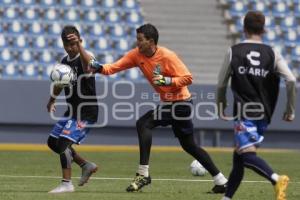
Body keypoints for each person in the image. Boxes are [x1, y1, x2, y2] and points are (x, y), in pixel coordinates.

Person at [67, 23, 228, 193]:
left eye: (140, 40)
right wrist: (81, 48)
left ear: (151, 41)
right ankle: (221, 181)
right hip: (173, 104)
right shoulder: (137, 55)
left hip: (181, 104)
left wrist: (166, 81)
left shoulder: (167, 56)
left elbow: (188, 78)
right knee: (189, 146)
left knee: (144, 123)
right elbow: (109, 69)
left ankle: (143, 174)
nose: (137, 43)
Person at [216, 11, 296, 200]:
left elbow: (221, 84)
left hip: (245, 111)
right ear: (264, 29)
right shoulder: (272, 53)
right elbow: (291, 80)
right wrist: (289, 110)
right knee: (239, 157)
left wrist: (221, 105)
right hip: (265, 112)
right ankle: (226, 198)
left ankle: (277, 179)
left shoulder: (234, 51)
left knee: (246, 155)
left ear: (244, 29)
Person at [47, 25, 98, 193]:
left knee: (63, 143)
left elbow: (89, 66)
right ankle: (86, 165)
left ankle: (66, 184)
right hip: (72, 110)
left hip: (86, 111)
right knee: (53, 142)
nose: (70, 48)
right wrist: (52, 100)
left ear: (80, 41)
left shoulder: (87, 57)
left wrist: (80, 47)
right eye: (67, 45)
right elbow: (59, 84)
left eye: (73, 44)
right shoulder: (64, 62)